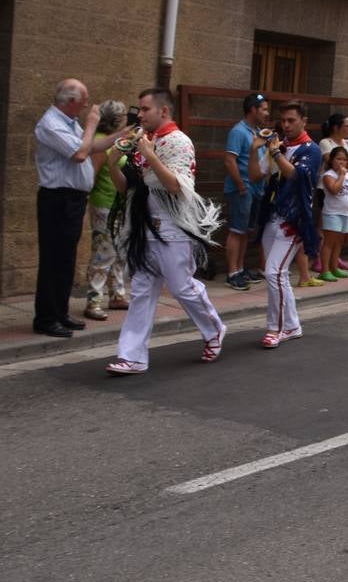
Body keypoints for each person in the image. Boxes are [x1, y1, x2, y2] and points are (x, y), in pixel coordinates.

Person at [105, 89, 223, 374]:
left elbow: (176, 187)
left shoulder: (179, 142)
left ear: (164, 112)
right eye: (140, 110)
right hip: (143, 227)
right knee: (142, 290)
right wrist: (112, 161)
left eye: (145, 110)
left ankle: (214, 329)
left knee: (182, 287)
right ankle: (131, 356)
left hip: (173, 227)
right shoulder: (145, 141)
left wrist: (148, 154)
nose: (140, 115)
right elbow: (126, 187)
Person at [32, 79, 124, 337]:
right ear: (71, 101)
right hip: (57, 198)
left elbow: (92, 146)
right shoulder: (51, 124)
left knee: (66, 259)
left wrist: (121, 135)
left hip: (72, 200)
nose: (87, 105)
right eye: (84, 100)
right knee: (54, 259)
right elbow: (80, 153)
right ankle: (46, 318)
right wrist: (93, 124)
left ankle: (60, 313)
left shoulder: (69, 123)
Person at [251, 101, 323, 348]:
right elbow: (254, 175)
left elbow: (295, 175)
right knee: (277, 275)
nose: (286, 125)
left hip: (294, 220)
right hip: (271, 217)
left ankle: (277, 328)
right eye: (283, 121)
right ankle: (292, 325)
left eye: (291, 120)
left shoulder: (312, 150)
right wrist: (255, 149)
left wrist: (275, 153)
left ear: (304, 120)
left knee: (274, 272)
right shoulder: (278, 147)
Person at [83, 100, 131, 321]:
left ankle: (118, 295)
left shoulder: (116, 140)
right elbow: (91, 174)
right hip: (104, 204)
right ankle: (94, 301)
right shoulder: (101, 142)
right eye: (122, 116)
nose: (125, 119)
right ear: (115, 119)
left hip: (118, 203)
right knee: (104, 253)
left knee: (120, 251)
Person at [222, 93, 270, 291]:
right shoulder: (238, 131)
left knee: (246, 232)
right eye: (264, 109)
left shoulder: (257, 132)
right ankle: (232, 272)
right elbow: (229, 160)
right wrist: (241, 185)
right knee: (236, 230)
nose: (267, 113)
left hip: (255, 189)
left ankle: (240, 268)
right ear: (253, 109)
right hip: (242, 189)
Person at [320, 146, 348, 280]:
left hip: (345, 213)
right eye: (338, 159)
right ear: (332, 160)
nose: (341, 162)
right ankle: (325, 270)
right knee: (329, 242)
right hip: (332, 213)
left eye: (344, 159)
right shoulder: (328, 175)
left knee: (339, 243)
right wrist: (341, 175)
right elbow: (334, 190)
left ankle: (334, 267)